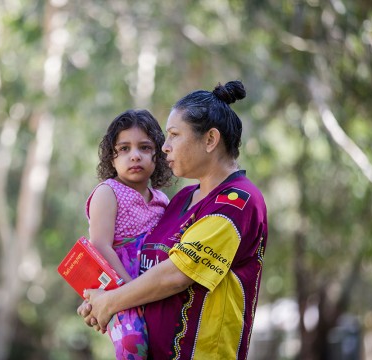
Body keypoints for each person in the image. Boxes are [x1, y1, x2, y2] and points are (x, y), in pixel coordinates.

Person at [79, 80, 268, 360]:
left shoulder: (236, 203)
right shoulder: (181, 199)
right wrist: (100, 302)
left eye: (174, 135)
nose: (164, 147)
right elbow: (141, 270)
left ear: (210, 140)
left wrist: (111, 301)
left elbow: (176, 274)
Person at [85, 109, 173, 359]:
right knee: (133, 344)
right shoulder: (107, 192)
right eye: (124, 149)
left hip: (154, 285)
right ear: (111, 159)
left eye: (144, 148)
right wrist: (131, 291)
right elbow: (100, 246)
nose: (134, 156)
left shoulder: (162, 200)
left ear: (158, 155)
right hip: (120, 285)